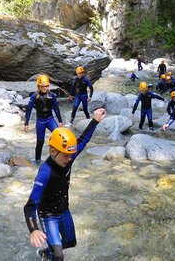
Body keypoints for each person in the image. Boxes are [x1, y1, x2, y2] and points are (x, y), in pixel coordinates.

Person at [24, 108, 107, 261]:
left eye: (71, 155)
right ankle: (52, 253)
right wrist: (34, 230)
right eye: (66, 155)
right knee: (59, 256)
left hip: (64, 211)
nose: (70, 159)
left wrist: (95, 120)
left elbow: (83, 140)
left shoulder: (68, 156)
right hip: (48, 215)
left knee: (70, 242)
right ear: (52, 151)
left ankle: (46, 252)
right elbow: (29, 206)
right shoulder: (45, 172)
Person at [24, 75, 64, 163]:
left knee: (59, 137)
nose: (44, 88)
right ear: (38, 86)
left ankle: (58, 158)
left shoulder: (52, 95)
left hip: (50, 119)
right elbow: (29, 109)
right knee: (40, 142)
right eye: (42, 86)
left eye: (46, 86)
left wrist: (60, 121)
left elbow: (56, 108)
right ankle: (37, 161)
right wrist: (26, 123)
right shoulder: (34, 96)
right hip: (40, 121)